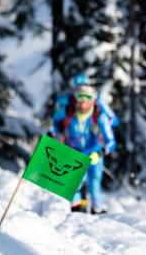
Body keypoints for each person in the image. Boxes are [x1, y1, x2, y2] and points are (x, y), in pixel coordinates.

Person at [56, 83, 117, 214]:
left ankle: (97, 211)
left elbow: (111, 141)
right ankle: (76, 213)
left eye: (88, 98)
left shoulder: (99, 117)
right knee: (74, 184)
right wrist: (55, 133)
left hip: (93, 156)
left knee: (94, 185)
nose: (83, 102)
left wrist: (101, 152)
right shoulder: (67, 113)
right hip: (74, 155)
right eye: (80, 97)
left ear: (94, 100)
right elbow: (54, 124)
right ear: (75, 98)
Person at [51, 73, 118, 135]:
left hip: (92, 139)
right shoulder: (71, 99)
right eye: (78, 89)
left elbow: (114, 120)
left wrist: (101, 125)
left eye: (84, 87)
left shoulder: (97, 101)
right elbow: (59, 103)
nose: (83, 99)